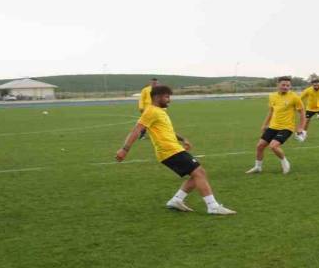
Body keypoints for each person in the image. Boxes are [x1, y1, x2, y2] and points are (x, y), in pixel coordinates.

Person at [115, 85, 236, 215]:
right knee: (199, 172)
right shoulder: (151, 111)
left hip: (173, 148)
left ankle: (176, 200)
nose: (169, 100)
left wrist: (183, 139)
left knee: (198, 174)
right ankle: (213, 207)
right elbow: (136, 130)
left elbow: (167, 131)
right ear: (157, 97)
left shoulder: (160, 111)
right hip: (168, 150)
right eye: (167, 97)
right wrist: (124, 149)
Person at [246, 77, 306, 174]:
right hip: (273, 126)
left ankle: (285, 162)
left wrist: (300, 128)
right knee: (260, 146)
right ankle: (258, 167)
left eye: (288, 85)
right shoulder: (272, 96)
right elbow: (271, 111)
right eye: (283, 85)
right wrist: (265, 124)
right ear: (278, 85)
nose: (285, 87)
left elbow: (302, 113)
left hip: (286, 127)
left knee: (273, 146)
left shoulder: (295, 97)